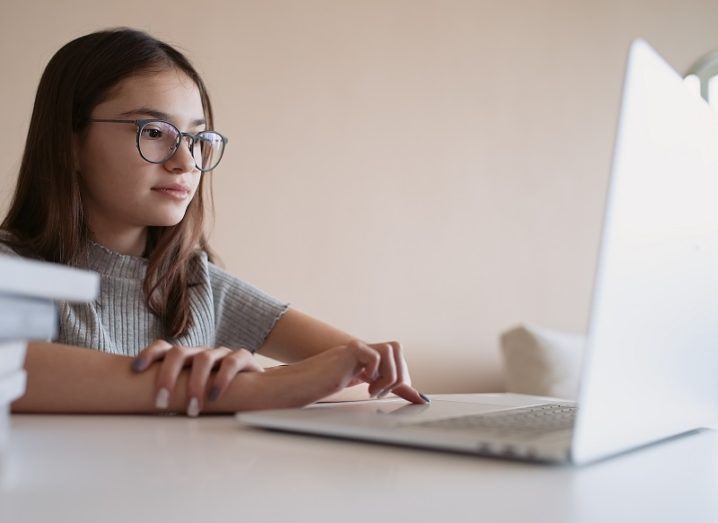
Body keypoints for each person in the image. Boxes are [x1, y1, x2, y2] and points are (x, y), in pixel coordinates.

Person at [1, 27, 429, 417]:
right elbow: (13, 365)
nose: (185, 162)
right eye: (153, 131)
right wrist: (231, 389)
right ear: (70, 143)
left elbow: (367, 375)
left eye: (196, 139)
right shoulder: (11, 271)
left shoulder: (196, 285)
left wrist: (260, 383)